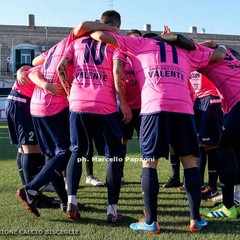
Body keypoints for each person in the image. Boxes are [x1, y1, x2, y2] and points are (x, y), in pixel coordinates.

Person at [90, 27, 226, 233]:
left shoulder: (141, 43)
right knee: (189, 160)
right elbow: (220, 53)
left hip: (154, 107)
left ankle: (151, 221)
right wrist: (217, 44)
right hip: (183, 108)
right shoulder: (183, 50)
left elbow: (99, 35)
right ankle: (195, 219)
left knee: (149, 163)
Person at [16, 20, 118, 218]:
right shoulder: (73, 41)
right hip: (53, 105)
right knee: (68, 152)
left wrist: (31, 75)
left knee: (53, 156)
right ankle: (31, 188)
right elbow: (81, 25)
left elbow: (35, 63)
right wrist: (109, 29)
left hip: (37, 104)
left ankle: (65, 202)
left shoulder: (58, 47)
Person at [57, 10, 131, 222]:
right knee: (114, 157)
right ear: (117, 25)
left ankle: (71, 197)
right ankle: (112, 209)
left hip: (78, 104)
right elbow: (118, 72)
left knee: (77, 152)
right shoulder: (116, 43)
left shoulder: (77, 43)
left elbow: (62, 67)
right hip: (105, 106)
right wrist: (123, 103)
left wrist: (70, 93)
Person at [196, 42, 240, 219]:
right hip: (234, 105)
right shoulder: (230, 54)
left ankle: (228, 206)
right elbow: (216, 45)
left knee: (223, 150)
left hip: (237, 105)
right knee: (236, 151)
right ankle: (235, 201)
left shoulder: (207, 58)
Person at [5, 65, 59, 208]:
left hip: (16, 100)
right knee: (31, 148)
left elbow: (32, 64)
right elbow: (33, 68)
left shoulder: (49, 59)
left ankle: (30, 188)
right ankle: (33, 196)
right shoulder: (58, 63)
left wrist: (20, 71)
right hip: (22, 103)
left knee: (23, 148)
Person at [119, 29, 142, 184]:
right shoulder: (120, 58)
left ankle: (146, 174)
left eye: (138, 40)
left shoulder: (144, 58)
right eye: (132, 39)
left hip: (144, 108)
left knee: (145, 142)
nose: (136, 42)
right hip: (125, 107)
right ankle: (118, 174)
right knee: (122, 141)